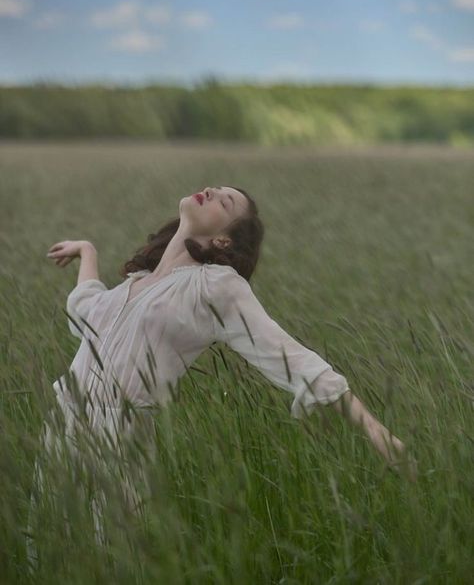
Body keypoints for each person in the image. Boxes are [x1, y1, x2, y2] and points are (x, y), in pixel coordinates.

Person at [28, 184, 417, 566]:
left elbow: (291, 357)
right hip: (64, 422)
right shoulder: (136, 283)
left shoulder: (216, 287)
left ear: (223, 241)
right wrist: (88, 252)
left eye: (225, 201)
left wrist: (373, 428)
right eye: (213, 188)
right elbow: (84, 311)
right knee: (49, 551)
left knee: (111, 557)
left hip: (119, 433)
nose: (211, 191)